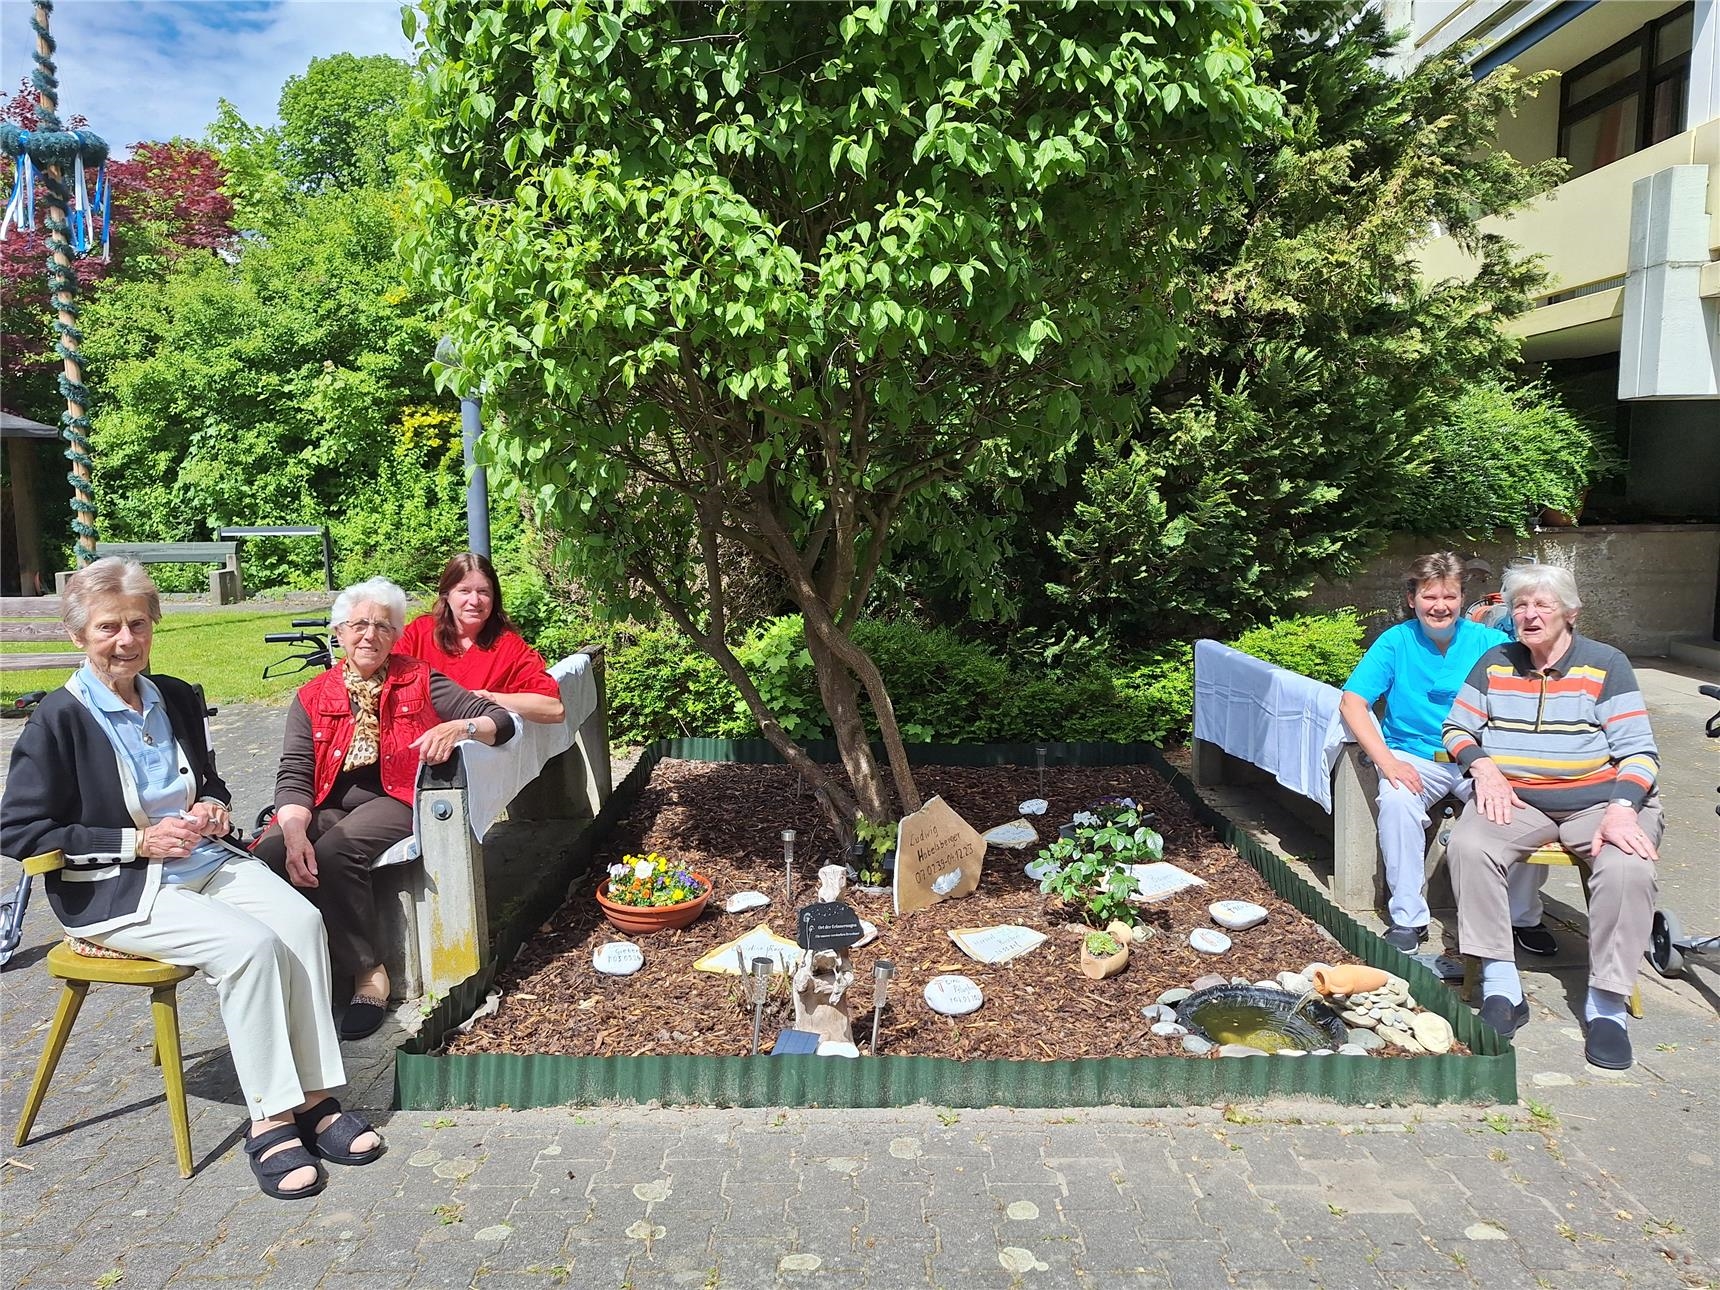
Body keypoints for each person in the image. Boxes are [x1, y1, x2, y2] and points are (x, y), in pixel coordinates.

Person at [0, 558, 382, 1201]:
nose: (127, 640)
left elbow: (207, 781)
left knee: (301, 921)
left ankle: (316, 1095)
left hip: (203, 861)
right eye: (108, 628)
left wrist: (212, 805)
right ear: (78, 636)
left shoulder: (173, 695)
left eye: (138, 624)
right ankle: (270, 1118)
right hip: (118, 889)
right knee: (250, 949)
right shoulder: (58, 719)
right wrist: (136, 840)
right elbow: (18, 831)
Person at [252, 576, 516, 1040]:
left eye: (381, 626)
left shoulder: (418, 678)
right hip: (327, 799)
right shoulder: (313, 695)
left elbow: (500, 722)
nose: (368, 635)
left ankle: (367, 973)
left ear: (395, 635)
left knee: (337, 852)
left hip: (396, 795)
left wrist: (461, 728)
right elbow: (294, 773)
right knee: (269, 855)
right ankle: (306, 968)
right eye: (358, 625)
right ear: (339, 633)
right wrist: (292, 830)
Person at [1442, 563, 1663, 1070]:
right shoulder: (1496, 661)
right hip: (1517, 799)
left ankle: (1607, 1006)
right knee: (1469, 846)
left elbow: (1640, 753)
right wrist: (1484, 771)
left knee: (1627, 865)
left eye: (1542, 605)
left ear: (1571, 613)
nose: (1528, 614)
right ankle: (1502, 984)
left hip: (1600, 802)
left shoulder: (1606, 664)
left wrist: (1624, 809)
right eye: (1520, 605)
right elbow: (1456, 728)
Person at [1339, 552, 1552, 953]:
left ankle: (1524, 916)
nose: (1440, 606)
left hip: (1479, 758)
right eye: (1430, 596)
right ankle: (1408, 918)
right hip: (1417, 756)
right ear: (1412, 600)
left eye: (1450, 597)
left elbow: (1535, 674)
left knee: (1527, 808)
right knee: (1398, 802)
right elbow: (1352, 702)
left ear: (1461, 599)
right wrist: (1388, 762)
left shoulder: (1488, 642)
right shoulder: (1396, 642)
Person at [395, 553, 564, 724]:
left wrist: (491, 699)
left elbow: (553, 708)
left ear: (494, 597)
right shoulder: (419, 633)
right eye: (464, 591)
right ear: (446, 594)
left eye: (483, 592)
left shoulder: (508, 646)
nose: (475, 601)